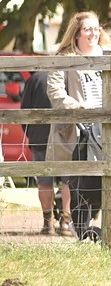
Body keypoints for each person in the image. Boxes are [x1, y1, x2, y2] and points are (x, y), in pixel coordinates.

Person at [46, 11, 106, 238]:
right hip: (79, 130)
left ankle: (105, 229)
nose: (93, 33)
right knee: (79, 182)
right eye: (88, 29)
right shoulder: (64, 57)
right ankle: (80, 229)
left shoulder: (108, 56)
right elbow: (55, 91)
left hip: (106, 128)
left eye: (96, 28)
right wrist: (76, 107)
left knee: (105, 180)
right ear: (77, 33)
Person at [19, 70, 69, 235]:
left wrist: (31, 133)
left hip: (39, 135)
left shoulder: (35, 78)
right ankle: (66, 222)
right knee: (68, 180)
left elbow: (24, 109)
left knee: (44, 181)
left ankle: (48, 223)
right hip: (64, 134)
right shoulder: (67, 74)